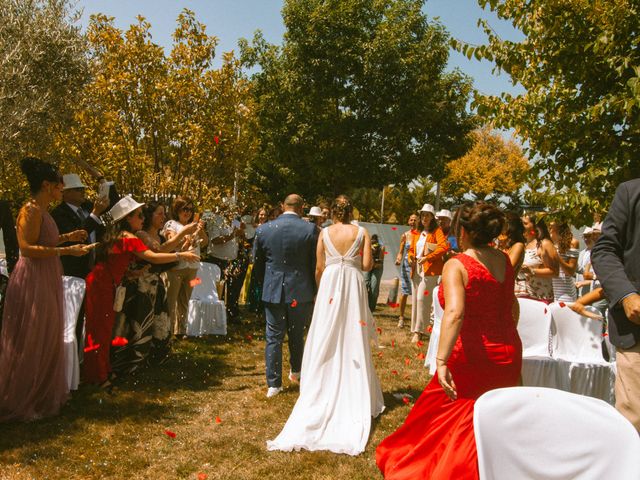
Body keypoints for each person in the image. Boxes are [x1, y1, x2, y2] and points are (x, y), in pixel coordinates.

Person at [376, 201, 522, 479]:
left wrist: (441, 360)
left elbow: (455, 313)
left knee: (454, 412)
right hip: (508, 350)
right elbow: (512, 307)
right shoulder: (504, 260)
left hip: (472, 354)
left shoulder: (457, 264)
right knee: (491, 415)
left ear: (463, 231)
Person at [267, 195, 384, 455]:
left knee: (325, 333)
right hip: (352, 281)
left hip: (330, 281)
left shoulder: (324, 232)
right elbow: (366, 266)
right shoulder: (362, 232)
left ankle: (321, 380)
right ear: (351, 211)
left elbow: (319, 268)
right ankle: (353, 384)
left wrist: (324, 289)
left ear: (333, 213)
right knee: (352, 332)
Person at [0, 157, 92, 422]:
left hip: (47, 275)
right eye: (57, 185)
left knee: (46, 333)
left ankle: (40, 393)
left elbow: (44, 239)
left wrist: (68, 236)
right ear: (45, 184)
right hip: (33, 278)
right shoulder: (29, 210)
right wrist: (66, 250)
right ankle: (23, 396)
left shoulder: (44, 210)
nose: (60, 189)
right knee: (32, 335)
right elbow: (27, 248)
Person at [83, 196, 200, 388]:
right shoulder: (128, 237)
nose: (142, 219)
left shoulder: (120, 235)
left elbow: (114, 261)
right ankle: (96, 377)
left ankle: (103, 372)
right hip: (101, 286)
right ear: (128, 218)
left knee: (104, 330)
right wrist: (181, 254)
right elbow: (153, 257)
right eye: (138, 215)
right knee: (99, 332)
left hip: (106, 283)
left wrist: (130, 272)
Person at [111, 201, 198, 375]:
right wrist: (181, 248)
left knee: (153, 321)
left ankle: (147, 359)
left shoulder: (136, 235)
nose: (163, 216)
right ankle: (130, 364)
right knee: (137, 324)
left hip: (147, 283)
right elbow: (155, 256)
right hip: (136, 287)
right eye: (159, 213)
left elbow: (159, 256)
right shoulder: (136, 235)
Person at [252, 194, 318, 398]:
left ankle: (274, 383)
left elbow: (257, 262)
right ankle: (296, 371)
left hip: (273, 288)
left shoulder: (264, 229)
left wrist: (264, 284)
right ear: (301, 208)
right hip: (301, 288)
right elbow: (315, 262)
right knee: (297, 333)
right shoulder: (311, 230)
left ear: (282, 206)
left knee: (273, 336)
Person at [591, 178, 640, 431]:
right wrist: (626, 294)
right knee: (634, 427)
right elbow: (604, 251)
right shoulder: (631, 192)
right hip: (637, 333)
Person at [163, 197, 207, 338]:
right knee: (171, 301)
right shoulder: (172, 224)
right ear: (177, 210)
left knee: (185, 300)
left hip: (192, 268)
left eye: (190, 209)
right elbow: (171, 242)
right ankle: (166, 332)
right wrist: (185, 237)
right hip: (176, 268)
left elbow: (205, 243)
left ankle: (180, 331)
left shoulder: (193, 225)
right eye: (184, 209)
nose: (187, 212)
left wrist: (199, 231)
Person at [407, 204, 448, 343]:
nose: (424, 217)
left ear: (432, 218)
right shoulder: (417, 232)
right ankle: (416, 328)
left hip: (430, 270)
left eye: (427, 215)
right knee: (416, 300)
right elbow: (412, 249)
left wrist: (428, 257)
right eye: (423, 215)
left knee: (422, 299)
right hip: (417, 268)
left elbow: (443, 247)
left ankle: (419, 331)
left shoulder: (437, 231)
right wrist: (410, 257)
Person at [516, 213, 559, 303]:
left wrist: (531, 270)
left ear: (535, 226)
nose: (521, 226)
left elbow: (554, 272)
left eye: (525, 223)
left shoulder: (544, 244)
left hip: (541, 298)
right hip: (523, 297)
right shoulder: (523, 244)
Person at [395, 213, 420, 328]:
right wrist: (398, 259)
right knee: (405, 292)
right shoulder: (405, 235)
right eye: (411, 219)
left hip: (418, 265)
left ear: (418, 222)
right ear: (409, 222)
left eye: (415, 219)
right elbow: (400, 252)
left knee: (418, 293)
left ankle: (417, 320)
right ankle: (401, 318)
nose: (413, 221)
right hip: (406, 265)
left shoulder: (422, 235)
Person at [549, 220, 580, 302]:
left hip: (565, 294)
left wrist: (556, 256)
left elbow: (571, 271)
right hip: (549, 292)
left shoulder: (572, 243)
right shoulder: (548, 241)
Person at [364, 233, 385, 312]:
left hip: (377, 267)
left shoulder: (381, 248)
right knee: (365, 284)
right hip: (369, 265)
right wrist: (370, 252)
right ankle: (364, 306)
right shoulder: (367, 247)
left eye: (375, 243)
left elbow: (379, 263)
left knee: (374, 287)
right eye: (372, 243)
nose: (374, 245)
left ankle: (370, 309)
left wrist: (374, 262)